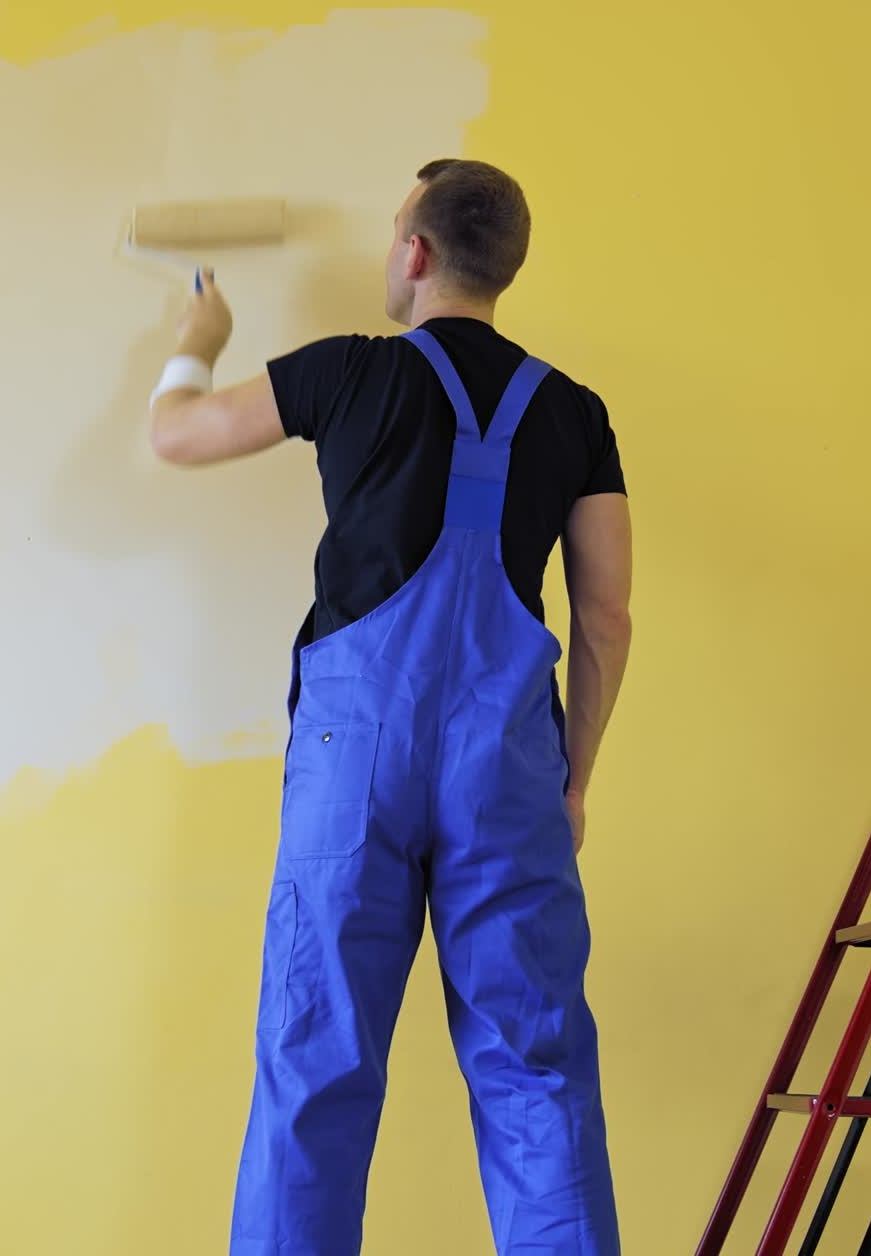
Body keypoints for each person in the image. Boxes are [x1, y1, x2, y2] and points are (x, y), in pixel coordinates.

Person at [147, 158, 632, 1256]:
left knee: (315, 1060)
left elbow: (176, 433)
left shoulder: (348, 372)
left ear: (414, 252)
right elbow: (604, 616)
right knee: (536, 1068)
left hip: (352, 761)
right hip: (506, 768)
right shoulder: (574, 412)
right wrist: (571, 785)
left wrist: (197, 338)